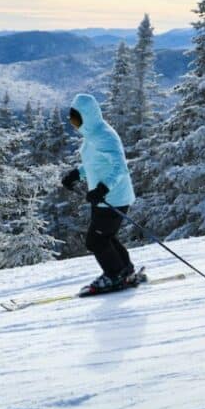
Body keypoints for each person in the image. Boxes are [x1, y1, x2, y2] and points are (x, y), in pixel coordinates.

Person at [60, 93, 140, 293]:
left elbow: (119, 167)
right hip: (103, 198)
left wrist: (103, 188)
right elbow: (95, 163)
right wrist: (77, 174)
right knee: (106, 237)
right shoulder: (92, 135)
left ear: (87, 116)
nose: (73, 123)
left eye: (76, 118)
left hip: (113, 197)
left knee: (95, 241)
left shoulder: (104, 135)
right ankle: (125, 271)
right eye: (72, 118)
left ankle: (114, 276)